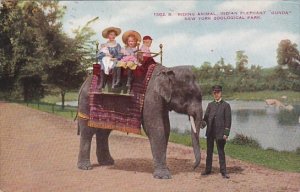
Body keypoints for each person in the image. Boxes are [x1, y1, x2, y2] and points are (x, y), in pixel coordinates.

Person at [202, 85, 232, 179]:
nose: (216, 94)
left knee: (221, 152)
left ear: (221, 93)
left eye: (218, 92)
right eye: (214, 93)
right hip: (210, 132)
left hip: (220, 133)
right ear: (213, 93)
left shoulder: (226, 105)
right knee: (209, 152)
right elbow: (206, 119)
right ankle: (208, 170)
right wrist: (200, 124)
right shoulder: (210, 105)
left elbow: (228, 121)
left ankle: (223, 172)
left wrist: (226, 134)